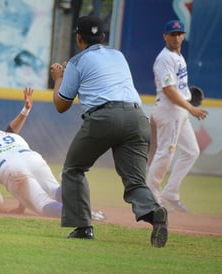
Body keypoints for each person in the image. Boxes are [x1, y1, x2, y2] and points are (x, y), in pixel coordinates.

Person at [49, 15, 168, 247]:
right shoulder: (118, 55)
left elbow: (61, 105)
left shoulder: (76, 62)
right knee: (134, 180)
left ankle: (83, 228)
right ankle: (155, 213)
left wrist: (58, 78)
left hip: (104, 117)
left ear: (78, 37)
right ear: (103, 37)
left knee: (73, 169)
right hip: (137, 117)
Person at [0, 119, 107, 221]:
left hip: (10, 167)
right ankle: (82, 204)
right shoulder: (14, 136)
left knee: (42, 203)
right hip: (34, 159)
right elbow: (24, 172)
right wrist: (22, 208)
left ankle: (79, 214)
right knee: (53, 190)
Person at [146, 20, 208, 212]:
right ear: (165, 36)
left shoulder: (178, 56)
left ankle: (170, 193)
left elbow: (177, 87)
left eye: (179, 33)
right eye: (172, 34)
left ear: (183, 35)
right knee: (165, 152)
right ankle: (150, 197)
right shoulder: (165, 58)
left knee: (191, 151)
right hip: (169, 110)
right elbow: (169, 91)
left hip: (179, 110)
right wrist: (191, 108)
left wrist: (187, 99)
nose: (176, 37)